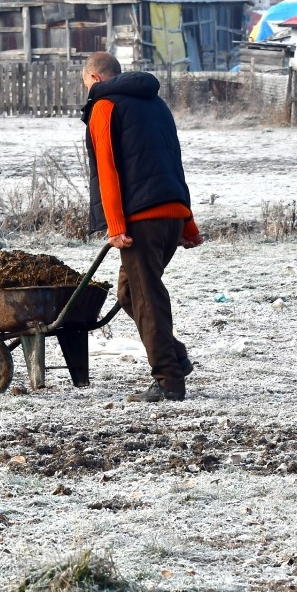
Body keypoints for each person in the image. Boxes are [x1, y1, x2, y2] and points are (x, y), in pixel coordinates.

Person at [80, 52, 202, 403]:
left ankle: (168, 380)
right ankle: (175, 355)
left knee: (147, 297)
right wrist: (187, 222)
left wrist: (115, 225)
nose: (85, 91)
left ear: (95, 79)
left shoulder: (104, 106)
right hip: (170, 214)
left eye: (86, 84)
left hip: (140, 220)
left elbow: (107, 170)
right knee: (131, 294)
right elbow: (172, 162)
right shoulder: (157, 105)